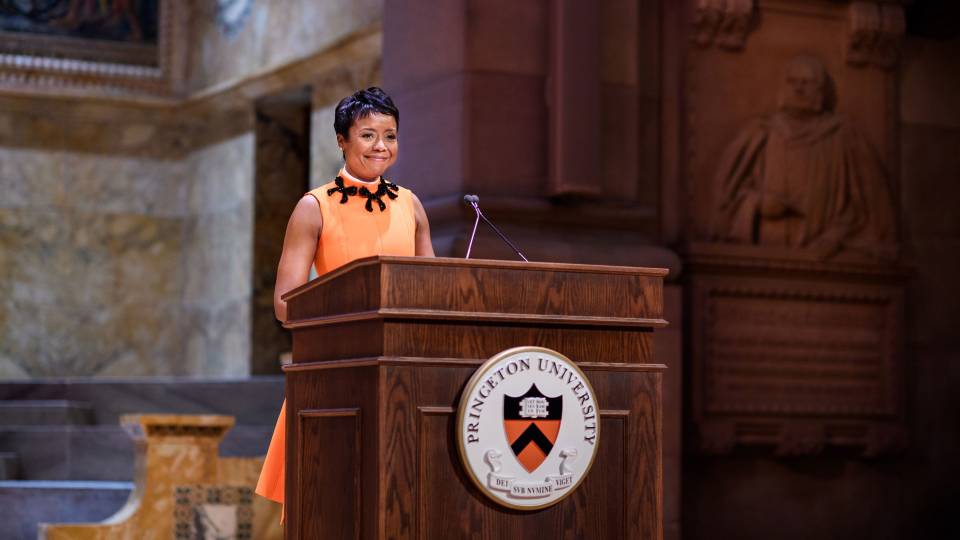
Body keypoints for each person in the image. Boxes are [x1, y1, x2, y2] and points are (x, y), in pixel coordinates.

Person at [256, 87, 435, 506]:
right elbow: (285, 304)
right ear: (342, 140)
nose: (381, 146)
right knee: (332, 501)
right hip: (335, 373)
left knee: (401, 500)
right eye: (368, 135)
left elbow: (434, 289)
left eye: (390, 136)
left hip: (406, 376)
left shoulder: (411, 205)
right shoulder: (313, 207)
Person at [711, 55, 897, 260]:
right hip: (767, 256)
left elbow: (863, 204)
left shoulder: (842, 136)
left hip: (823, 256)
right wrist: (758, 203)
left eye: (807, 83)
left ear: (821, 91)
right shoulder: (763, 132)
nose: (799, 89)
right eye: (792, 82)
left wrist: (834, 237)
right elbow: (730, 194)